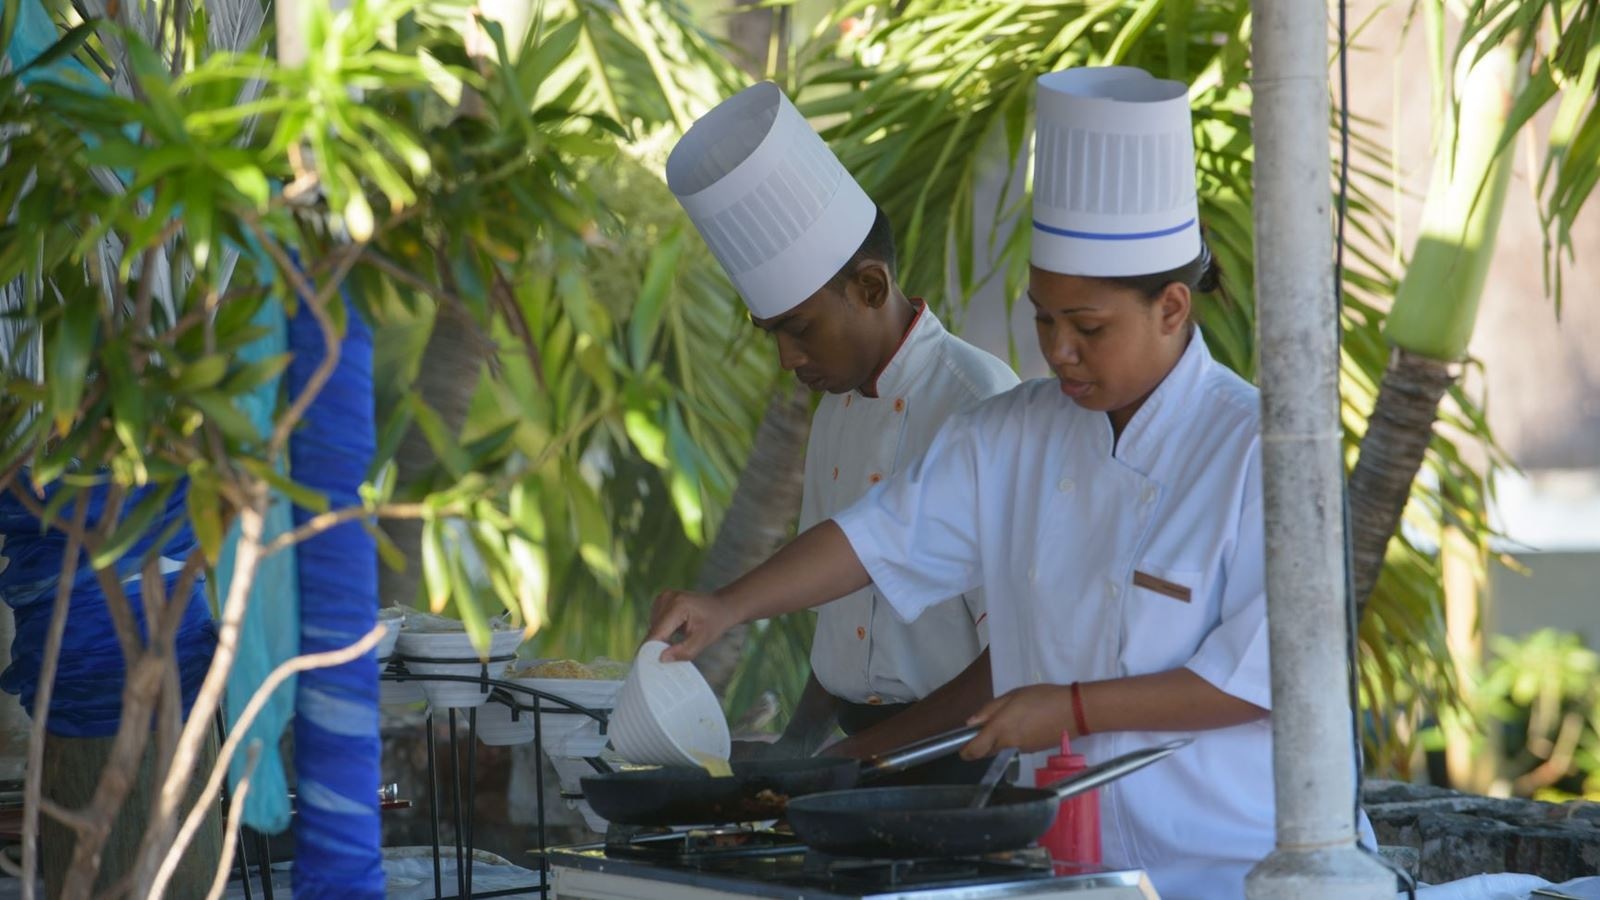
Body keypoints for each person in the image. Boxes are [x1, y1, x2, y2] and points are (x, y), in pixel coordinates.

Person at [648, 67, 1280, 897]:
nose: (1057, 352)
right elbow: (876, 537)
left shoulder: (1257, 450)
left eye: (1088, 328)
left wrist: (1071, 709)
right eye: (1043, 319)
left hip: (1233, 870)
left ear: (1172, 308)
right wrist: (729, 605)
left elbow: (1261, 678)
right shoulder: (1012, 431)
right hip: (1071, 868)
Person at [664, 81, 1018, 758]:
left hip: (958, 757)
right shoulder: (835, 409)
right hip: (860, 756)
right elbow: (845, 624)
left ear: (871, 288)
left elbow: (1010, 661)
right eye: (771, 333)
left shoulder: (976, 401)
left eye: (798, 329)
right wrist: (796, 752)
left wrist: (858, 759)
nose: (787, 358)